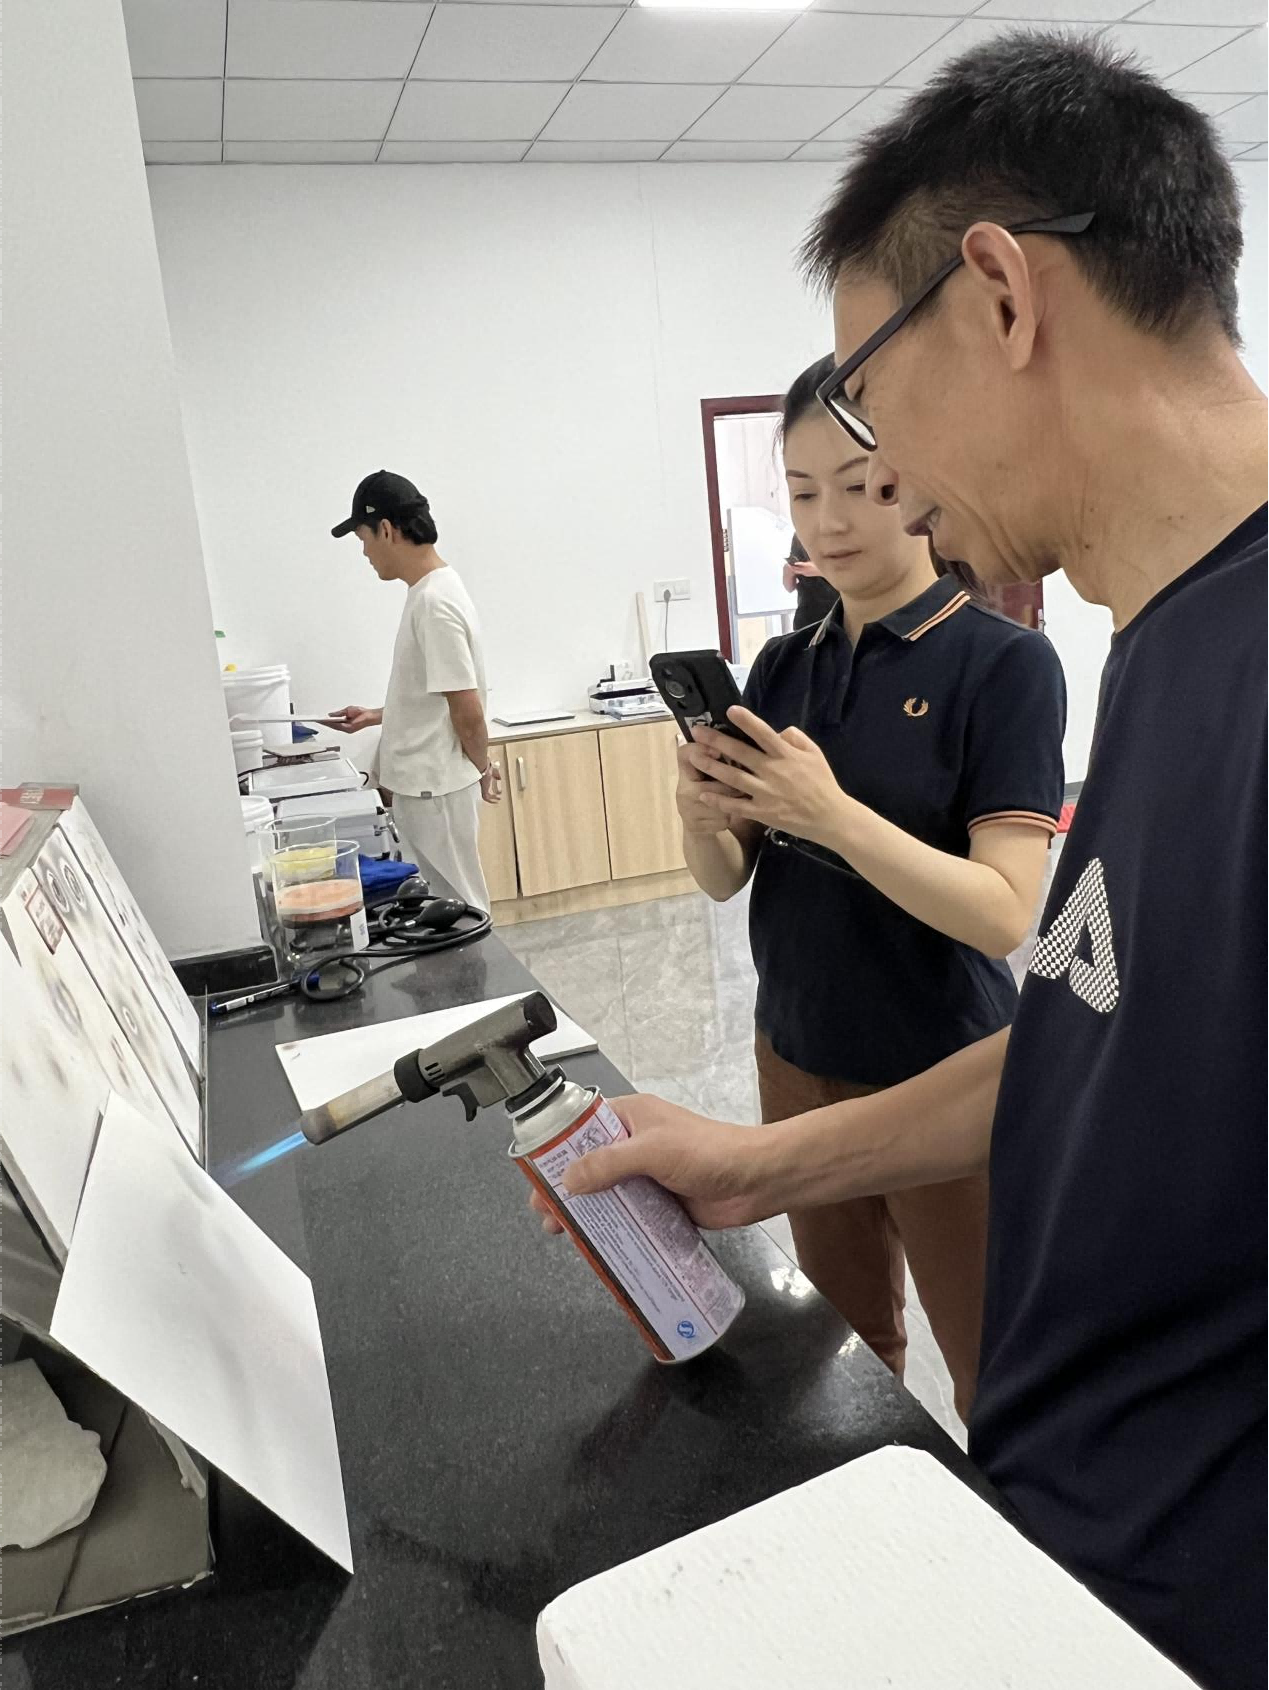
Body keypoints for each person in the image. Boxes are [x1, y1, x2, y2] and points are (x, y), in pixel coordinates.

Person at [536, 34, 1267, 1690]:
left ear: (1000, 298)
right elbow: (1085, 1038)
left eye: (870, 402)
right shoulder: (1156, 644)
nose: (885, 487)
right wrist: (759, 1166)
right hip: (1067, 1559)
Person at [678, 355, 1065, 1419]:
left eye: (861, 485)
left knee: (996, 1373)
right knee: (843, 1358)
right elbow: (725, 879)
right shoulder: (781, 667)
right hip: (795, 1055)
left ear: (917, 477)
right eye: (803, 492)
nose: (831, 521)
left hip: (943, 1074)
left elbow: (1003, 912)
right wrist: (701, 816)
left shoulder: (1003, 663)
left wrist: (831, 812)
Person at [327, 470, 499, 911]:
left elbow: (467, 710)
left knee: (461, 909)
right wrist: (377, 715)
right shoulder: (431, 591)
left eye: (363, 538)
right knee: (443, 905)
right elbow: (435, 695)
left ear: (386, 530)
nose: (364, 552)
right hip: (427, 786)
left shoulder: (434, 603)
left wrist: (483, 768)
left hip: (435, 786)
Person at [782, 534, 838, 632]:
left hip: (836, 613)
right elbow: (789, 588)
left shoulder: (835, 534)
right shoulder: (798, 536)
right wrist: (788, 572)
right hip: (805, 615)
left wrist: (820, 571)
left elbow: (852, 575)